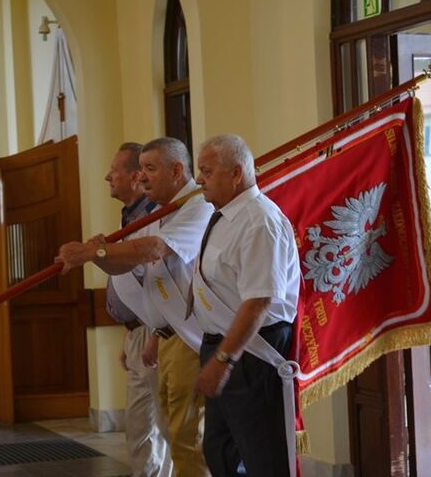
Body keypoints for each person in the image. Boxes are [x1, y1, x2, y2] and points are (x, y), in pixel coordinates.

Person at [57, 137, 213, 477]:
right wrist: (99, 256)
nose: (142, 178)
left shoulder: (197, 206)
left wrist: (92, 253)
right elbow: (131, 267)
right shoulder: (159, 211)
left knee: (189, 438)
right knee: (174, 434)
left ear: (176, 170)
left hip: (191, 337)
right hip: (167, 335)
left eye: (149, 169)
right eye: (140, 169)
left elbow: (155, 249)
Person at [191, 134, 301, 477]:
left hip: (251, 354)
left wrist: (223, 359)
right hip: (222, 347)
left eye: (206, 171)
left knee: (262, 455)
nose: (199, 180)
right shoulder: (224, 216)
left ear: (236, 172)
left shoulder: (259, 221)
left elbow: (259, 300)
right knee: (220, 451)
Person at [102, 142, 172, 477]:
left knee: (164, 426)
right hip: (138, 333)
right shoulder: (131, 214)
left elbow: (159, 278)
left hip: (156, 333)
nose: (107, 176)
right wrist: (128, 334)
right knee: (139, 430)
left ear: (134, 176)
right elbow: (132, 282)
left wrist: (155, 334)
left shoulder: (153, 216)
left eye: (114, 170)